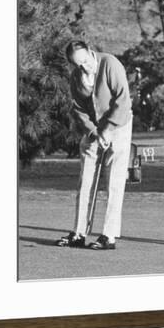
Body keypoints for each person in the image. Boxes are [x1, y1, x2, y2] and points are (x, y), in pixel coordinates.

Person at [56, 40, 133, 251]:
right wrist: (93, 132)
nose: (83, 66)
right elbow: (78, 108)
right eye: (76, 64)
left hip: (119, 125)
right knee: (86, 180)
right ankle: (79, 233)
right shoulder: (76, 77)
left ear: (91, 52)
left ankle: (108, 236)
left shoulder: (110, 63)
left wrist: (107, 130)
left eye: (84, 60)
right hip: (94, 130)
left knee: (113, 183)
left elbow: (123, 100)